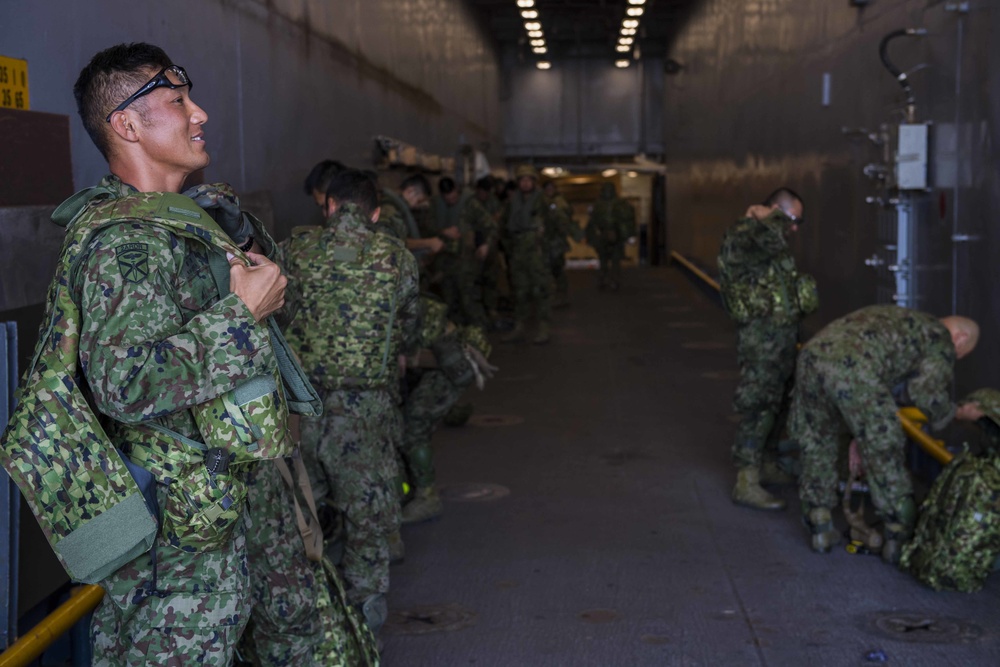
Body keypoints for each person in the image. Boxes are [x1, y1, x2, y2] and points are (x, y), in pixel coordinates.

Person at [46, 42, 325, 665]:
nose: (199, 114)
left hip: (215, 512)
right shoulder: (126, 243)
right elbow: (125, 383)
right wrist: (241, 315)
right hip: (172, 551)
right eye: (176, 102)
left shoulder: (181, 224)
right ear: (127, 126)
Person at [277, 170, 421, 636]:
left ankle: (306, 622)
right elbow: (410, 328)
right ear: (376, 213)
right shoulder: (396, 257)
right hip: (365, 414)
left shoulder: (295, 250)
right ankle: (363, 623)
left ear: (331, 207)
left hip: (300, 411)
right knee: (370, 518)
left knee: (300, 517)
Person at [789, 305, 979, 563]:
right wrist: (954, 413)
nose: (954, 357)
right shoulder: (940, 337)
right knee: (885, 450)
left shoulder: (902, 319)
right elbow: (924, 391)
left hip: (812, 356)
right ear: (961, 338)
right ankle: (897, 536)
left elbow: (867, 376)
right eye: (960, 355)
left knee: (817, 440)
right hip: (853, 367)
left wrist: (859, 435)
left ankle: (820, 526)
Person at [717, 188, 816, 512]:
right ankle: (746, 480)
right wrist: (767, 218)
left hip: (782, 338)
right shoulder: (745, 234)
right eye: (793, 219)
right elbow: (762, 241)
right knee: (759, 404)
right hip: (762, 340)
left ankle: (767, 463)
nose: (795, 228)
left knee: (780, 402)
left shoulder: (770, 238)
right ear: (776, 211)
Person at [503, 164, 551, 344]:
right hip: (518, 252)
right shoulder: (513, 201)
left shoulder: (542, 201)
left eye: (528, 180)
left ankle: (544, 326)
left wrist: (545, 247)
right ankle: (520, 326)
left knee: (540, 290)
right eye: (521, 180)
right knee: (520, 291)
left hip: (536, 252)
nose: (525, 183)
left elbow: (553, 226)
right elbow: (505, 227)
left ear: (534, 181)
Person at [585, 182, 635, 291]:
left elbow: (626, 220)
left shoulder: (619, 204)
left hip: (616, 234)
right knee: (604, 259)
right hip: (603, 234)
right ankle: (604, 279)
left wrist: (626, 234)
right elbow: (593, 221)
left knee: (614, 260)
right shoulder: (599, 205)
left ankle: (613, 280)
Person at [541, 180, 578, 307]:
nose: (549, 191)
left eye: (552, 188)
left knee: (557, 270)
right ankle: (553, 296)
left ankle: (561, 295)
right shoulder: (542, 202)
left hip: (556, 242)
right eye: (547, 188)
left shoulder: (559, 202)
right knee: (548, 270)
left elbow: (565, 221)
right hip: (546, 242)